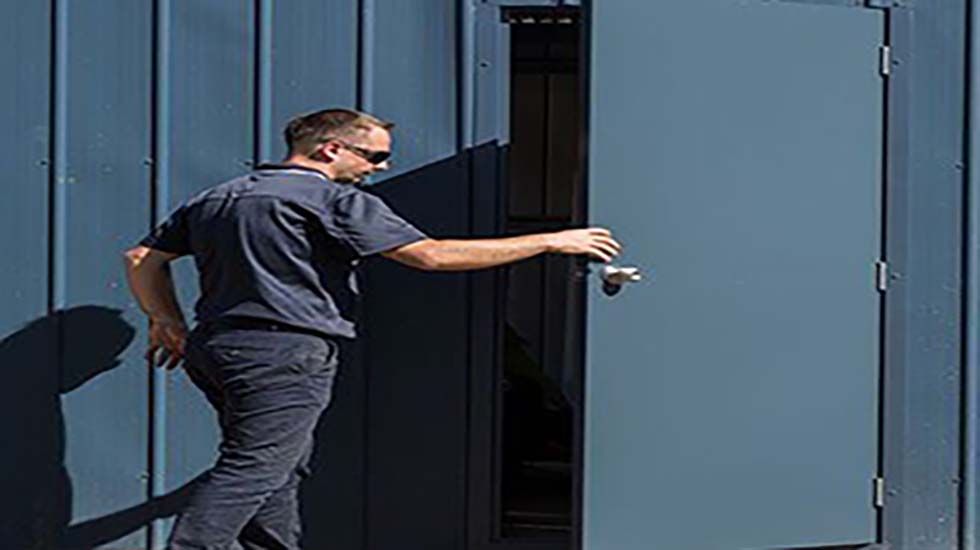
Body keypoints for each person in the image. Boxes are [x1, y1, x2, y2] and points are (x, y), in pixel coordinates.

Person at [122, 108, 621, 550]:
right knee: (256, 466)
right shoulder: (331, 200)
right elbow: (431, 255)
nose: (380, 168)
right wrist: (551, 241)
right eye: (375, 156)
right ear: (330, 148)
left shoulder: (220, 196)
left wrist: (166, 320)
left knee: (277, 466)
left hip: (217, 346)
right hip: (285, 351)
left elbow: (142, 258)